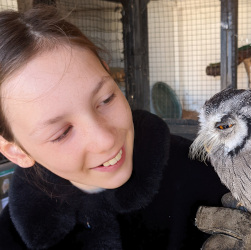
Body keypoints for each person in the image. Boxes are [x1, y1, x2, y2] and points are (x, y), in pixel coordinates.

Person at [0, 5, 229, 249]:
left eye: (106, 99)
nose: (106, 140)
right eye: (62, 133)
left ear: (108, 73)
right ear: (16, 151)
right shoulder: (12, 234)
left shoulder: (211, 176)